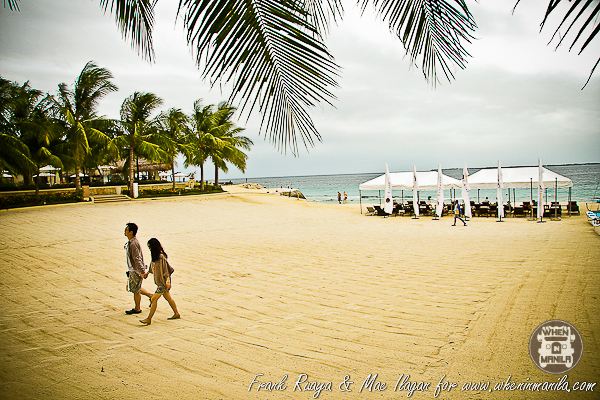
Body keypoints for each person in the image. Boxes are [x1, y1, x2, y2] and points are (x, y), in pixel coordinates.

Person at [139, 238, 180, 325]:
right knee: (168, 298)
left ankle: (149, 318)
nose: (149, 249)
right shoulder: (155, 256)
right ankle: (176, 313)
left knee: (153, 299)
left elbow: (166, 270)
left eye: (150, 247)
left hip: (163, 284)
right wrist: (147, 273)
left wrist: (168, 281)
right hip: (160, 283)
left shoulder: (161, 257)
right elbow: (152, 266)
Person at [124, 223, 153, 314]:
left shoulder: (133, 243)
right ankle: (150, 296)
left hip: (135, 269)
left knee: (135, 290)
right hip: (133, 268)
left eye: (127, 229)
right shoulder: (132, 242)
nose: (125, 231)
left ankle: (137, 308)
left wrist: (141, 271)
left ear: (131, 232)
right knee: (135, 288)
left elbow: (137, 258)